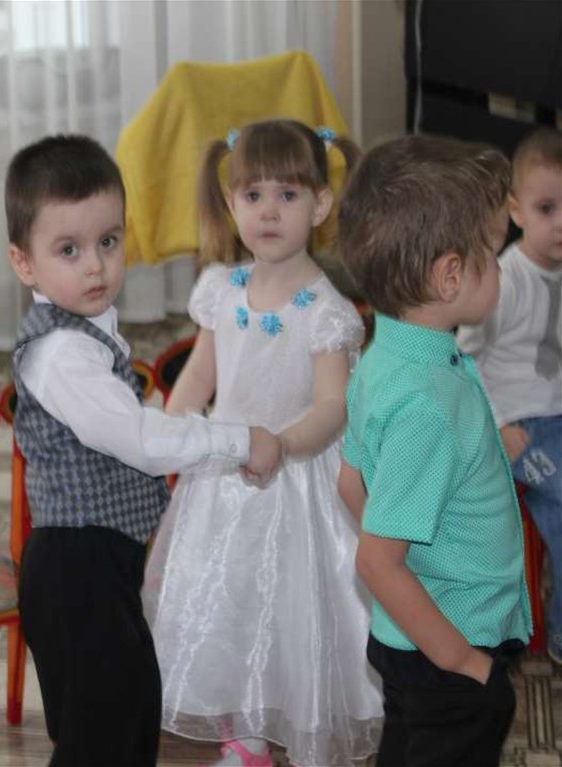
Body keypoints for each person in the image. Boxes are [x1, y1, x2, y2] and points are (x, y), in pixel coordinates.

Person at [5, 134, 282, 767]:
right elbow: (138, 439)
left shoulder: (86, 332)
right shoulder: (60, 353)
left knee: (132, 716)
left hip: (104, 564)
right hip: (75, 570)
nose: (96, 266)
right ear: (24, 263)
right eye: (69, 250)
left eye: (108, 241)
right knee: (101, 739)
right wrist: (237, 440)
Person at [142, 119, 382, 767]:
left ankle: (304, 723)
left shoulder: (326, 310)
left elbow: (332, 405)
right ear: (231, 203)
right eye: (253, 195)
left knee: (294, 608)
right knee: (228, 601)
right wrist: (166, 429)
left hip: (296, 481)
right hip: (224, 477)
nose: (269, 211)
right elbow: (201, 374)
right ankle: (245, 734)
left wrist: (282, 442)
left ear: (321, 205)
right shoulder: (221, 289)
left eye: (288, 194)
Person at [338, 134, 532, 766]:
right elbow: (378, 562)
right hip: (449, 645)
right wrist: (464, 662)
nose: (500, 267)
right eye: (492, 254)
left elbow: (350, 482)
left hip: (409, 635)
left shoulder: (383, 356)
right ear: (450, 276)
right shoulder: (429, 404)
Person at [456, 127, 562, 665]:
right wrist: (496, 424)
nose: (561, 222)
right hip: (520, 424)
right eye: (547, 208)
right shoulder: (504, 281)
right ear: (516, 210)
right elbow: (463, 358)